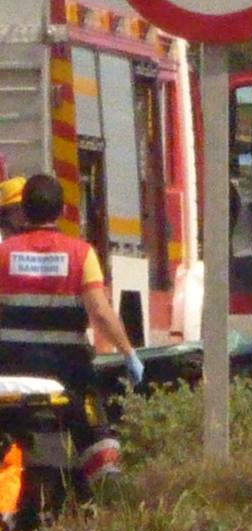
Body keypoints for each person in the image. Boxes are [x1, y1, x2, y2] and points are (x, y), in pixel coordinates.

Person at [0, 174, 143, 489]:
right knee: (95, 430)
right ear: (62, 210)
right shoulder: (81, 254)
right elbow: (101, 312)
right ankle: (106, 491)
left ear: (23, 210)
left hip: (9, 368)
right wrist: (129, 353)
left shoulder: (4, 253)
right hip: (69, 372)